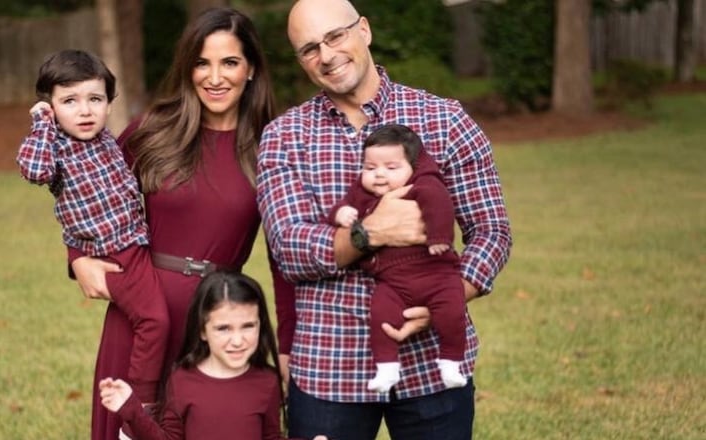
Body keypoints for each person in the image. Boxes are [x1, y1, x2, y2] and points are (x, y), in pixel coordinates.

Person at [256, 0, 512, 439]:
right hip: (329, 369)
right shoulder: (284, 136)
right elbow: (290, 248)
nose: (327, 55)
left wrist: (442, 299)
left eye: (335, 36)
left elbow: (492, 231)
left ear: (365, 31)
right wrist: (369, 232)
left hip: (432, 366)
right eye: (310, 48)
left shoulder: (445, 120)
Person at [66, 8, 293, 440]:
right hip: (138, 318)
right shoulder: (153, 130)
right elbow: (89, 190)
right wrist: (77, 258)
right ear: (187, 67)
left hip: (215, 324)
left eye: (229, 62)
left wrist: (287, 347)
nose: (215, 77)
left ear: (251, 70)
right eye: (202, 62)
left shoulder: (271, 145)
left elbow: (283, 259)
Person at [16, 49, 169, 407]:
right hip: (115, 255)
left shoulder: (106, 140)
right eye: (70, 101)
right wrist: (42, 123)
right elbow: (34, 170)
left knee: (155, 319)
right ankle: (140, 403)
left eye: (95, 99)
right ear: (51, 107)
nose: (85, 110)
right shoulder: (55, 148)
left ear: (109, 103)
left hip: (135, 245)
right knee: (155, 321)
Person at [99, 271, 327, 440]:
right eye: (223, 328)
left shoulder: (266, 381)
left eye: (248, 326)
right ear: (202, 330)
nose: (237, 340)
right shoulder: (182, 380)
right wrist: (132, 410)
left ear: (260, 324)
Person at [328, 124, 467, 393]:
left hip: (438, 275)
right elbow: (344, 207)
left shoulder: (422, 185)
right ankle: (386, 369)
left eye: (391, 168)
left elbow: (438, 204)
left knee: (451, 313)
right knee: (381, 314)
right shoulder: (362, 193)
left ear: (412, 167)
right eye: (370, 168)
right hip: (392, 281)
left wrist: (439, 237)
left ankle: (451, 362)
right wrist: (341, 213)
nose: (379, 175)